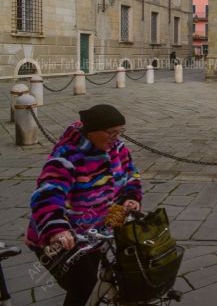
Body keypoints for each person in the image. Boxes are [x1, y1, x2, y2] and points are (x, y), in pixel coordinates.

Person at [26, 104, 142, 306]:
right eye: (111, 133)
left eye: (120, 132)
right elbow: (47, 193)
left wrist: (131, 196)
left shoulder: (119, 149)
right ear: (92, 131)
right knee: (84, 286)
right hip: (60, 239)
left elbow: (131, 175)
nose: (116, 138)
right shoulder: (67, 155)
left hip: (93, 234)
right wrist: (57, 228)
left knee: (92, 286)